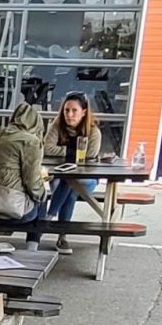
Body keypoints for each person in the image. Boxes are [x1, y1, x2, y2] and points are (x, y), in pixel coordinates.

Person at [0, 101, 47, 241]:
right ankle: (33, 248)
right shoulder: (31, 142)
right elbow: (32, 183)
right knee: (42, 200)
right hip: (11, 212)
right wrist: (43, 194)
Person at [41, 92, 101, 243]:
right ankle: (62, 237)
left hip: (87, 179)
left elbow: (90, 154)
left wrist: (62, 151)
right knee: (70, 188)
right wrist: (73, 152)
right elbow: (46, 148)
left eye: (74, 110)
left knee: (71, 182)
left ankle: (49, 217)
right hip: (60, 177)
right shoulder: (57, 125)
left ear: (84, 112)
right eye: (66, 110)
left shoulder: (93, 131)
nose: (69, 114)